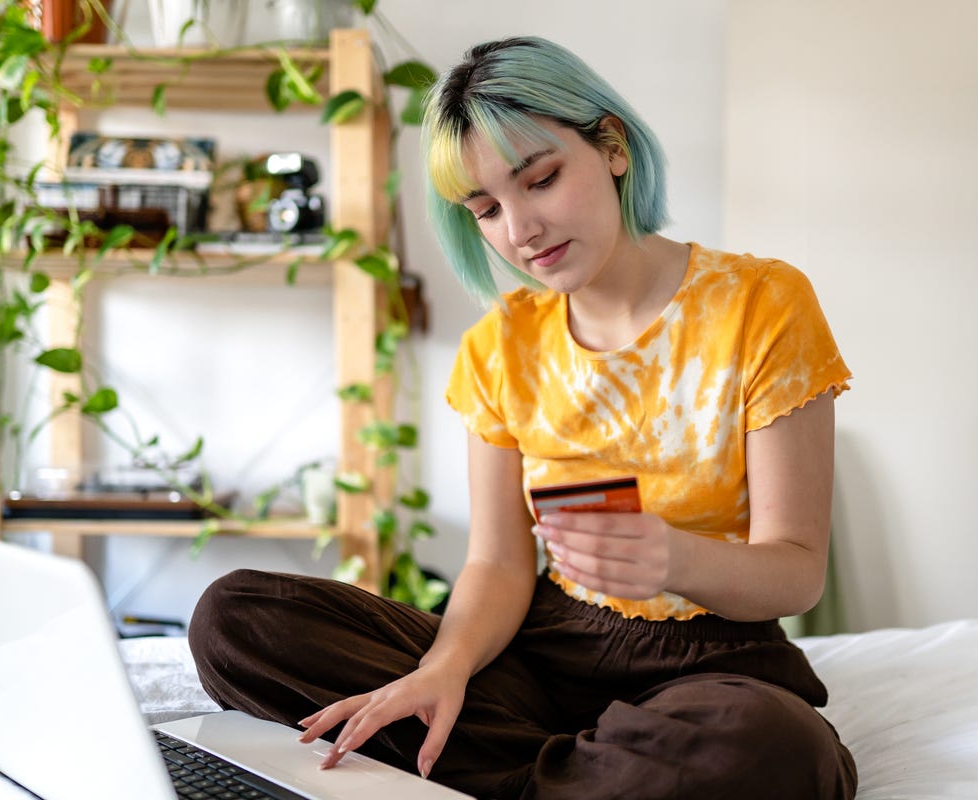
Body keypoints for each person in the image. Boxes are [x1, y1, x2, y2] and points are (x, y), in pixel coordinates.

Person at [189, 36, 857, 799]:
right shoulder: (500, 346)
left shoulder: (763, 305)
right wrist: (441, 671)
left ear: (611, 146)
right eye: (486, 209)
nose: (520, 230)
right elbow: (500, 564)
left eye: (539, 180)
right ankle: (579, 776)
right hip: (541, 656)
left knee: (772, 751)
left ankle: (525, 776)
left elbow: (797, 568)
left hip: (709, 667)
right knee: (236, 620)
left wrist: (674, 559)